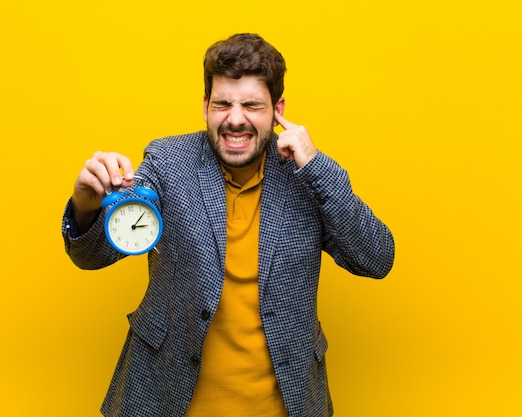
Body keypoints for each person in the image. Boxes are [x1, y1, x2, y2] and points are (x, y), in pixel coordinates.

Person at [62, 33, 395, 417]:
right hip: (166, 399)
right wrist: (86, 206)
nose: (235, 118)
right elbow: (94, 256)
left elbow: (377, 259)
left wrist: (317, 167)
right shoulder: (167, 162)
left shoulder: (309, 174)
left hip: (284, 404)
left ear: (277, 108)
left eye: (252, 104)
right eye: (223, 104)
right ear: (206, 106)